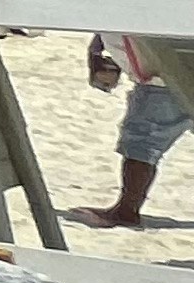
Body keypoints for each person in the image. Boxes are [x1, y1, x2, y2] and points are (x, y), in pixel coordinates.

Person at [77, 34, 187, 228]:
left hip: (162, 79)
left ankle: (126, 210)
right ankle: (126, 209)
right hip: (175, 67)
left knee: (142, 143)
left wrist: (99, 50)